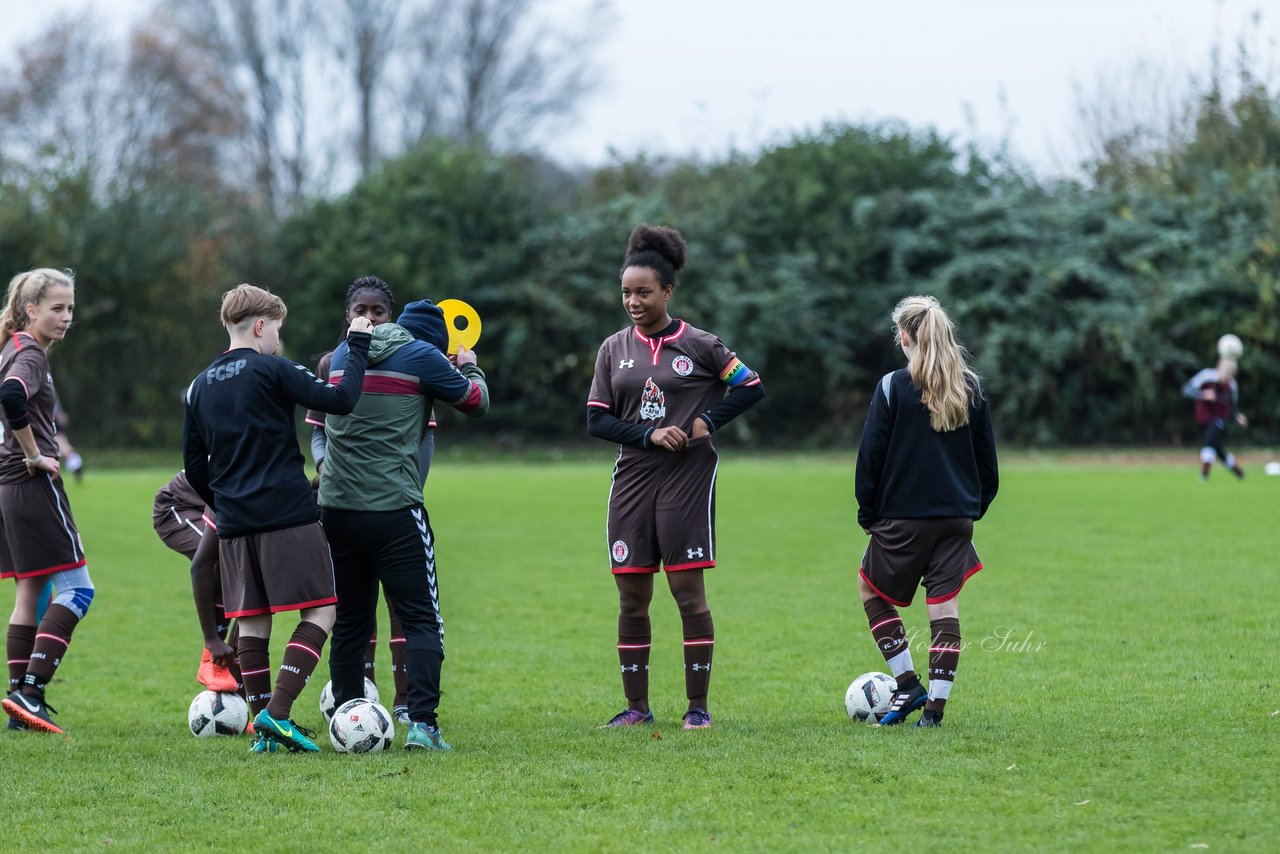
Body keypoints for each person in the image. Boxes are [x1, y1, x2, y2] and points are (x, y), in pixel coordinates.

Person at [587, 224, 765, 731]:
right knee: (631, 595)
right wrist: (648, 435)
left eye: (643, 292)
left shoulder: (702, 345)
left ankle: (697, 708)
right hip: (632, 480)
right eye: (626, 292)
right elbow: (596, 419)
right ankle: (637, 709)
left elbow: (750, 386)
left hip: (686, 479)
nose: (633, 301)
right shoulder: (612, 349)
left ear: (668, 291)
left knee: (687, 593)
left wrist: (705, 423)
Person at [183, 283, 372, 753]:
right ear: (261, 326)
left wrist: (225, 502)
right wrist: (360, 343)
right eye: (278, 332)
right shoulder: (273, 368)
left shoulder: (199, 385)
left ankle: (264, 733)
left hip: (234, 522)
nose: (278, 342)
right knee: (323, 608)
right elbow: (342, 400)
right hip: (287, 513)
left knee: (253, 621)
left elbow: (193, 466)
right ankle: (278, 714)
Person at [321, 295, 489, 751]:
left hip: (335, 510)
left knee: (351, 622)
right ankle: (423, 726)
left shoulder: (341, 355)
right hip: (394, 509)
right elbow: (476, 401)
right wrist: (470, 366)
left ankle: (350, 717)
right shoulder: (421, 355)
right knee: (420, 620)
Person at [854, 295, 998, 728]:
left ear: (904, 337)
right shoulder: (968, 386)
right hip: (957, 518)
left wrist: (868, 513)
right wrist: (972, 509)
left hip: (903, 517)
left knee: (871, 591)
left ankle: (908, 683)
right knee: (944, 607)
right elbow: (987, 462)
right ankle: (933, 711)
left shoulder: (892, 386)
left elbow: (871, 456)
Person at [307, 276, 443, 723]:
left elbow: (423, 441)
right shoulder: (336, 362)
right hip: (380, 509)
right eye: (359, 310)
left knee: (372, 618)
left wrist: (409, 485)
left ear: (391, 316)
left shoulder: (412, 361)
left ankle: (395, 706)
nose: (367, 317)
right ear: (347, 316)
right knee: (393, 618)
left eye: (377, 311)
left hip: (360, 506)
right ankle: (410, 720)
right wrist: (327, 467)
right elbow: (318, 431)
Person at [0, 268, 93, 734]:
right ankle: (30, 691)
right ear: (31, 309)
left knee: (28, 592)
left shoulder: (10, 347)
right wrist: (35, 453)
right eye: (57, 308)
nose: (66, 317)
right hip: (32, 484)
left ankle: (20, 707)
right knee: (78, 589)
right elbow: (12, 395)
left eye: (71, 308)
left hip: (7, 488)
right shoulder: (30, 352)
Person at [152, 470, 239, 694]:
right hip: (176, 508)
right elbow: (200, 565)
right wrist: (212, 639)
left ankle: (238, 684)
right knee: (221, 560)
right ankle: (211, 657)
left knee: (249, 579)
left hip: (215, 503)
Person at [1182, 358, 1247, 480]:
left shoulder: (1232, 384)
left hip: (1219, 419)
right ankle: (1240, 473)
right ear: (1219, 369)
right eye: (1227, 373)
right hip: (1203, 419)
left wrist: (1239, 416)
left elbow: (1234, 405)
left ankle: (1204, 475)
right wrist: (1203, 395)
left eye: (1231, 375)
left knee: (1209, 443)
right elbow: (1186, 391)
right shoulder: (1206, 375)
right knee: (1219, 450)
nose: (1229, 377)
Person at [52, 393, 84, 484]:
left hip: (55, 425)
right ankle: (76, 468)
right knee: (65, 449)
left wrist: (60, 415)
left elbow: (57, 410)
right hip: (54, 425)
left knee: (64, 449)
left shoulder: (47, 385)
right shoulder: (47, 385)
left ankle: (77, 468)